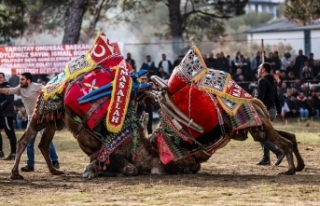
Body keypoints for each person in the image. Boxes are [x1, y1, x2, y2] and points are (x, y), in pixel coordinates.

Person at [0, 72, 60, 172]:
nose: (20, 81)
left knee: (47, 141)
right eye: (20, 79)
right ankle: (30, 164)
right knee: (29, 143)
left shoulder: (37, 87)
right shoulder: (20, 88)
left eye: (22, 79)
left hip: (41, 118)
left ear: (29, 80)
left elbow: (50, 90)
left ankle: (55, 161)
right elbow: (9, 91)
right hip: (30, 119)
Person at [255, 63, 285, 166]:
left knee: (259, 135)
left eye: (259, 68)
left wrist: (252, 103)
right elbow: (277, 99)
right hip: (272, 111)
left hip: (264, 111)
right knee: (263, 134)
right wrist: (279, 112)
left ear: (263, 69)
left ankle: (278, 152)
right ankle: (266, 159)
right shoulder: (273, 81)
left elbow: (259, 98)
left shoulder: (262, 81)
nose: (258, 70)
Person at [0, 72, 17, 160]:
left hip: (7, 114)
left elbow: (9, 100)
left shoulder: (7, 87)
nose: (0, 79)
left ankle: (13, 154)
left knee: (10, 133)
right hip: (1, 114)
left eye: (1, 77)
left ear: (4, 78)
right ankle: (0, 152)